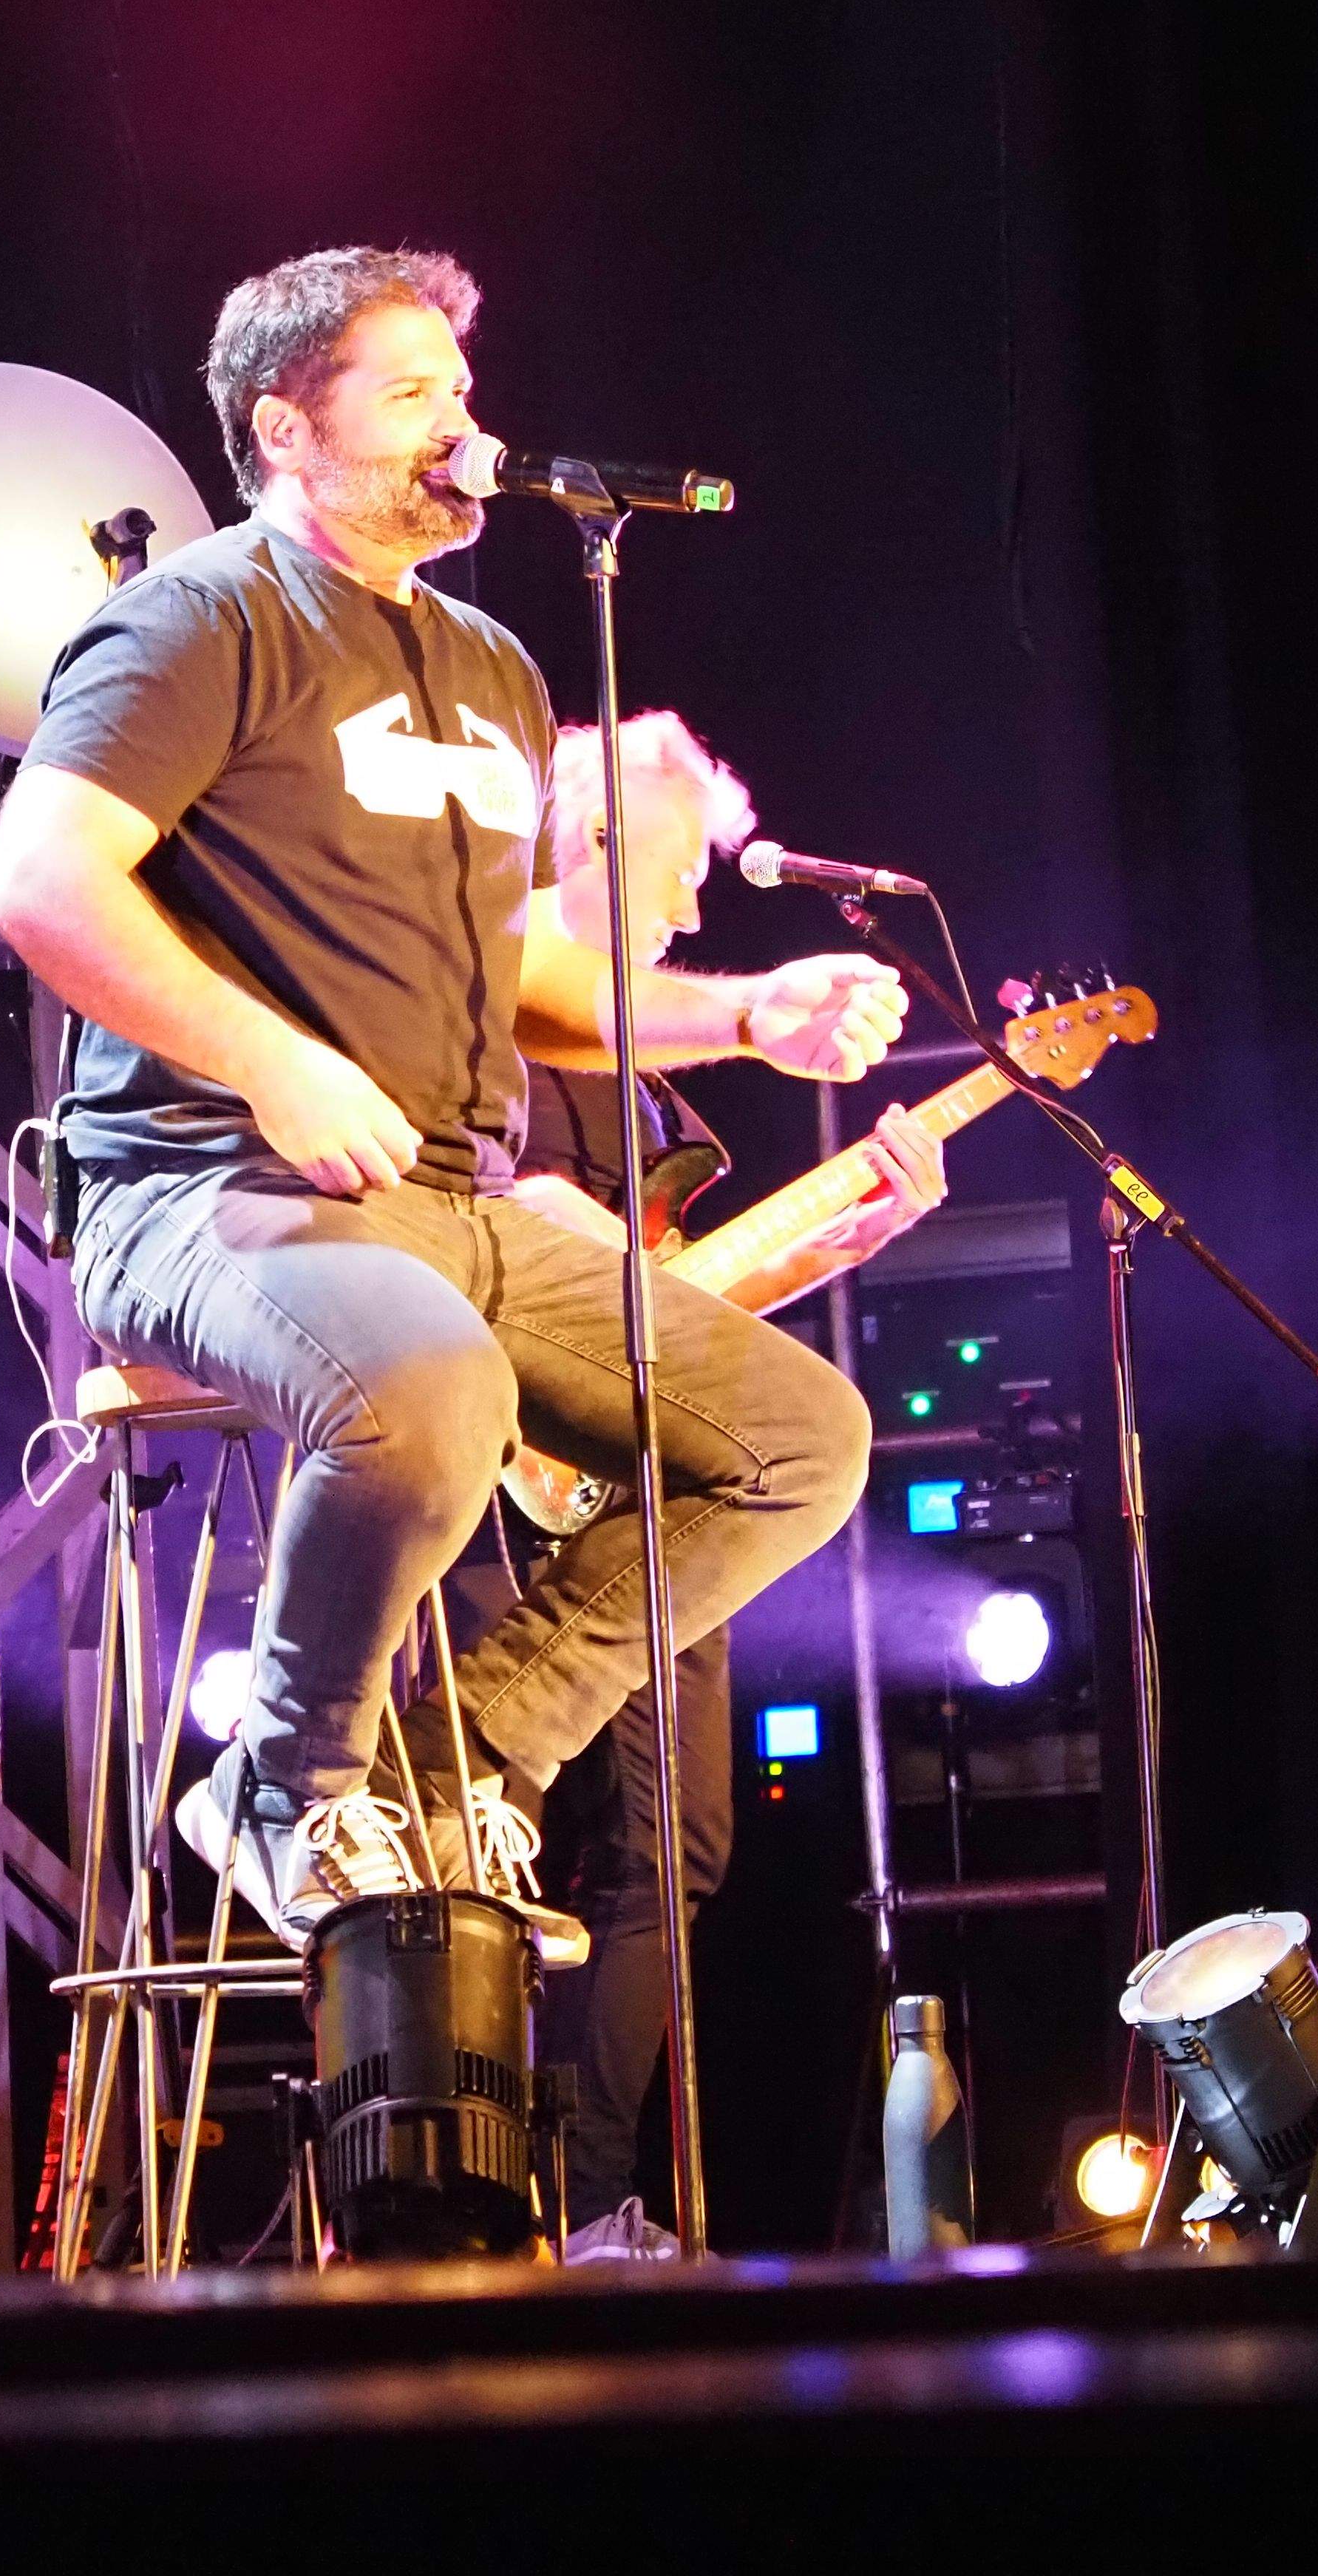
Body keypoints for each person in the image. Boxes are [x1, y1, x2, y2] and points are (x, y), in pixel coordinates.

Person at [0, 244, 897, 1962]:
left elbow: (529, 977)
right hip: (207, 1188)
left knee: (800, 1442)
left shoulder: (495, 671)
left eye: (460, 390)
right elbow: (40, 882)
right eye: (410, 394)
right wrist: (270, 1056)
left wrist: (745, 1015)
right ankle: (284, 1787)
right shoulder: (200, 617)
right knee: (430, 1390)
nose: (461, 427)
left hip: (451, 1207)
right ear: (286, 429)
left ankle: (470, 1754)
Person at [480, 709, 949, 2257]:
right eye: (677, 874)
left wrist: (850, 1234)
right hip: (500, 1463)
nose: (692, 911)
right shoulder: (486, 1005)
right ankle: (477, 2199)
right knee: (486, 1823)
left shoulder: (654, 1087)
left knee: (674, 1846)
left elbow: (694, 1304)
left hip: (661, 1476)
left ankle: (586, 2198)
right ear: (591, 842)